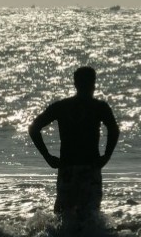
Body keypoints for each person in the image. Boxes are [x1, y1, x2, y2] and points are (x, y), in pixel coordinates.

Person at [28, 66, 119, 219]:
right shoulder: (98, 107)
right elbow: (114, 130)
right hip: (90, 167)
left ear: (75, 83)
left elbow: (34, 128)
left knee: (63, 217)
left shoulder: (62, 106)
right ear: (93, 83)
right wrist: (106, 156)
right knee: (90, 216)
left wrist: (48, 156)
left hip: (67, 169)